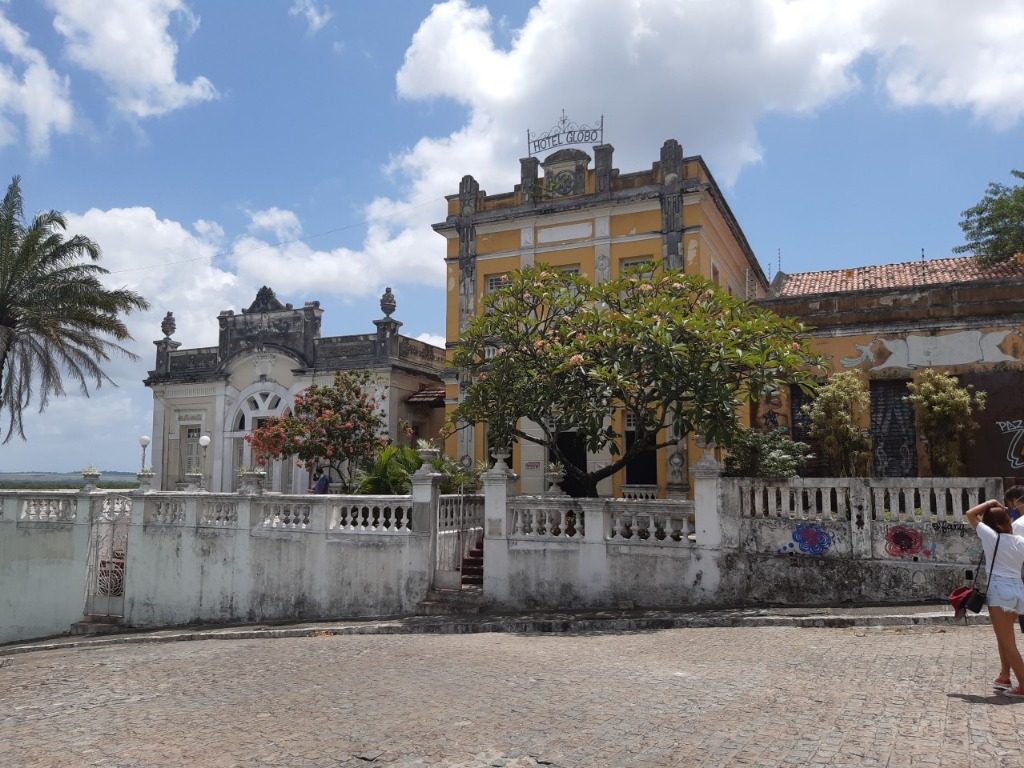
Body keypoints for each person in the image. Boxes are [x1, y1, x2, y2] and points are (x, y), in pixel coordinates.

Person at [966, 497, 1024, 696]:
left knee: (1008, 643)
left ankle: (1023, 685)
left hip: (999, 590)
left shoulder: (991, 536)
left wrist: (990, 502)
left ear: (989, 523)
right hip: (1018, 589)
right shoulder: (1020, 541)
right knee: (1005, 637)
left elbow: (970, 514)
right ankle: (1004, 676)